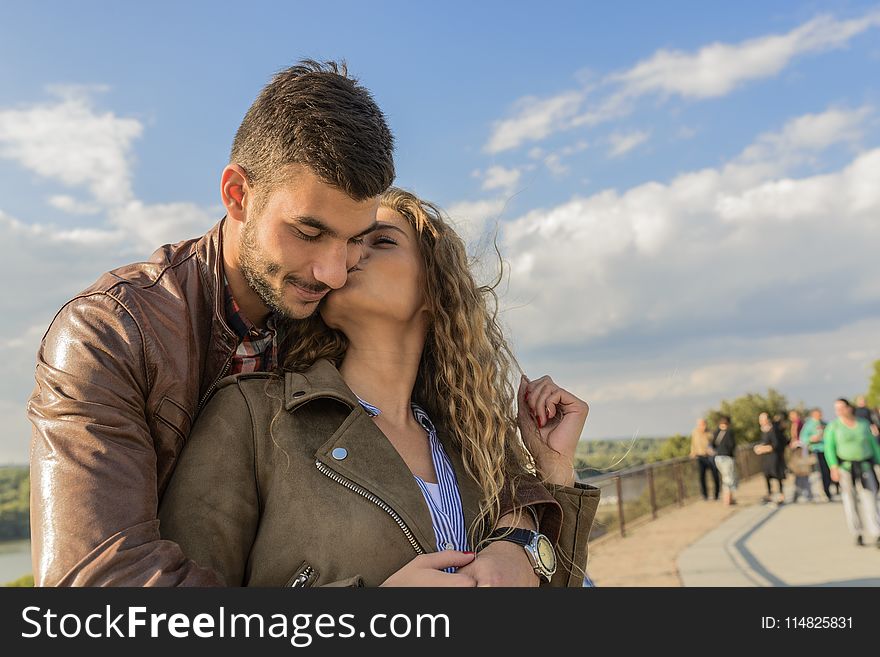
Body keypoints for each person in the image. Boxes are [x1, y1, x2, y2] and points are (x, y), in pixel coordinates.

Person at [26, 61, 553, 587]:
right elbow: (98, 586)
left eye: (355, 239)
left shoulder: (329, 331)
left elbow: (477, 448)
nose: (335, 270)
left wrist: (523, 537)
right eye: (308, 231)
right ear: (237, 195)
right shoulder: (108, 333)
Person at [159, 188, 600, 586]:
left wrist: (554, 471)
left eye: (381, 241)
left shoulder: (474, 444)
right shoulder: (252, 416)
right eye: (350, 243)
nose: (350, 256)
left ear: (435, 290)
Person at [824, 398, 880, 548]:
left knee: (870, 497)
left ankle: (876, 531)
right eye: (837, 409)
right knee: (850, 499)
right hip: (845, 467)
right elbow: (829, 448)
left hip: (864, 465)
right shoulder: (833, 426)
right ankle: (857, 532)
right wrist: (833, 467)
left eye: (842, 408)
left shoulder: (863, 424)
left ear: (849, 408)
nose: (839, 411)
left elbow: (873, 445)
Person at [800, 408, 835, 502]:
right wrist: (811, 439)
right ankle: (818, 493)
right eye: (817, 414)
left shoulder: (825, 424)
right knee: (817, 473)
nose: (819, 416)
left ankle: (827, 491)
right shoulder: (808, 425)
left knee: (826, 472)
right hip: (815, 451)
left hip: (826, 450)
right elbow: (803, 438)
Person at [755, 412, 787, 505]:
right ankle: (769, 494)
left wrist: (763, 449)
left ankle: (781, 495)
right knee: (767, 475)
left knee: (777, 475)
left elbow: (775, 444)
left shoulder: (773, 430)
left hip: (774, 457)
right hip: (766, 458)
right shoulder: (763, 430)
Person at [690, 418, 719, 501]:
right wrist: (692, 452)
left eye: (703, 424)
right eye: (700, 424)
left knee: (715, 475)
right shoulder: (695, 432)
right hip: (700, 456)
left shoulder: (710, 432)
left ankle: (716, 494)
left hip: (710, 457)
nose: (701, 426)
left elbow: (714, 444)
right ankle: (704, 495)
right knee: (702, 477)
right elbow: (693, 443)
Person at [712, 416, 737, 506]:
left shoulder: (716, 432)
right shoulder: (729, 432)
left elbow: (713, 444)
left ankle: (727, 499)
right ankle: (728, 500)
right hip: (727, 457)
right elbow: (732, 445)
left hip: (718, 458)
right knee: (729, 478)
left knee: (724, 477)